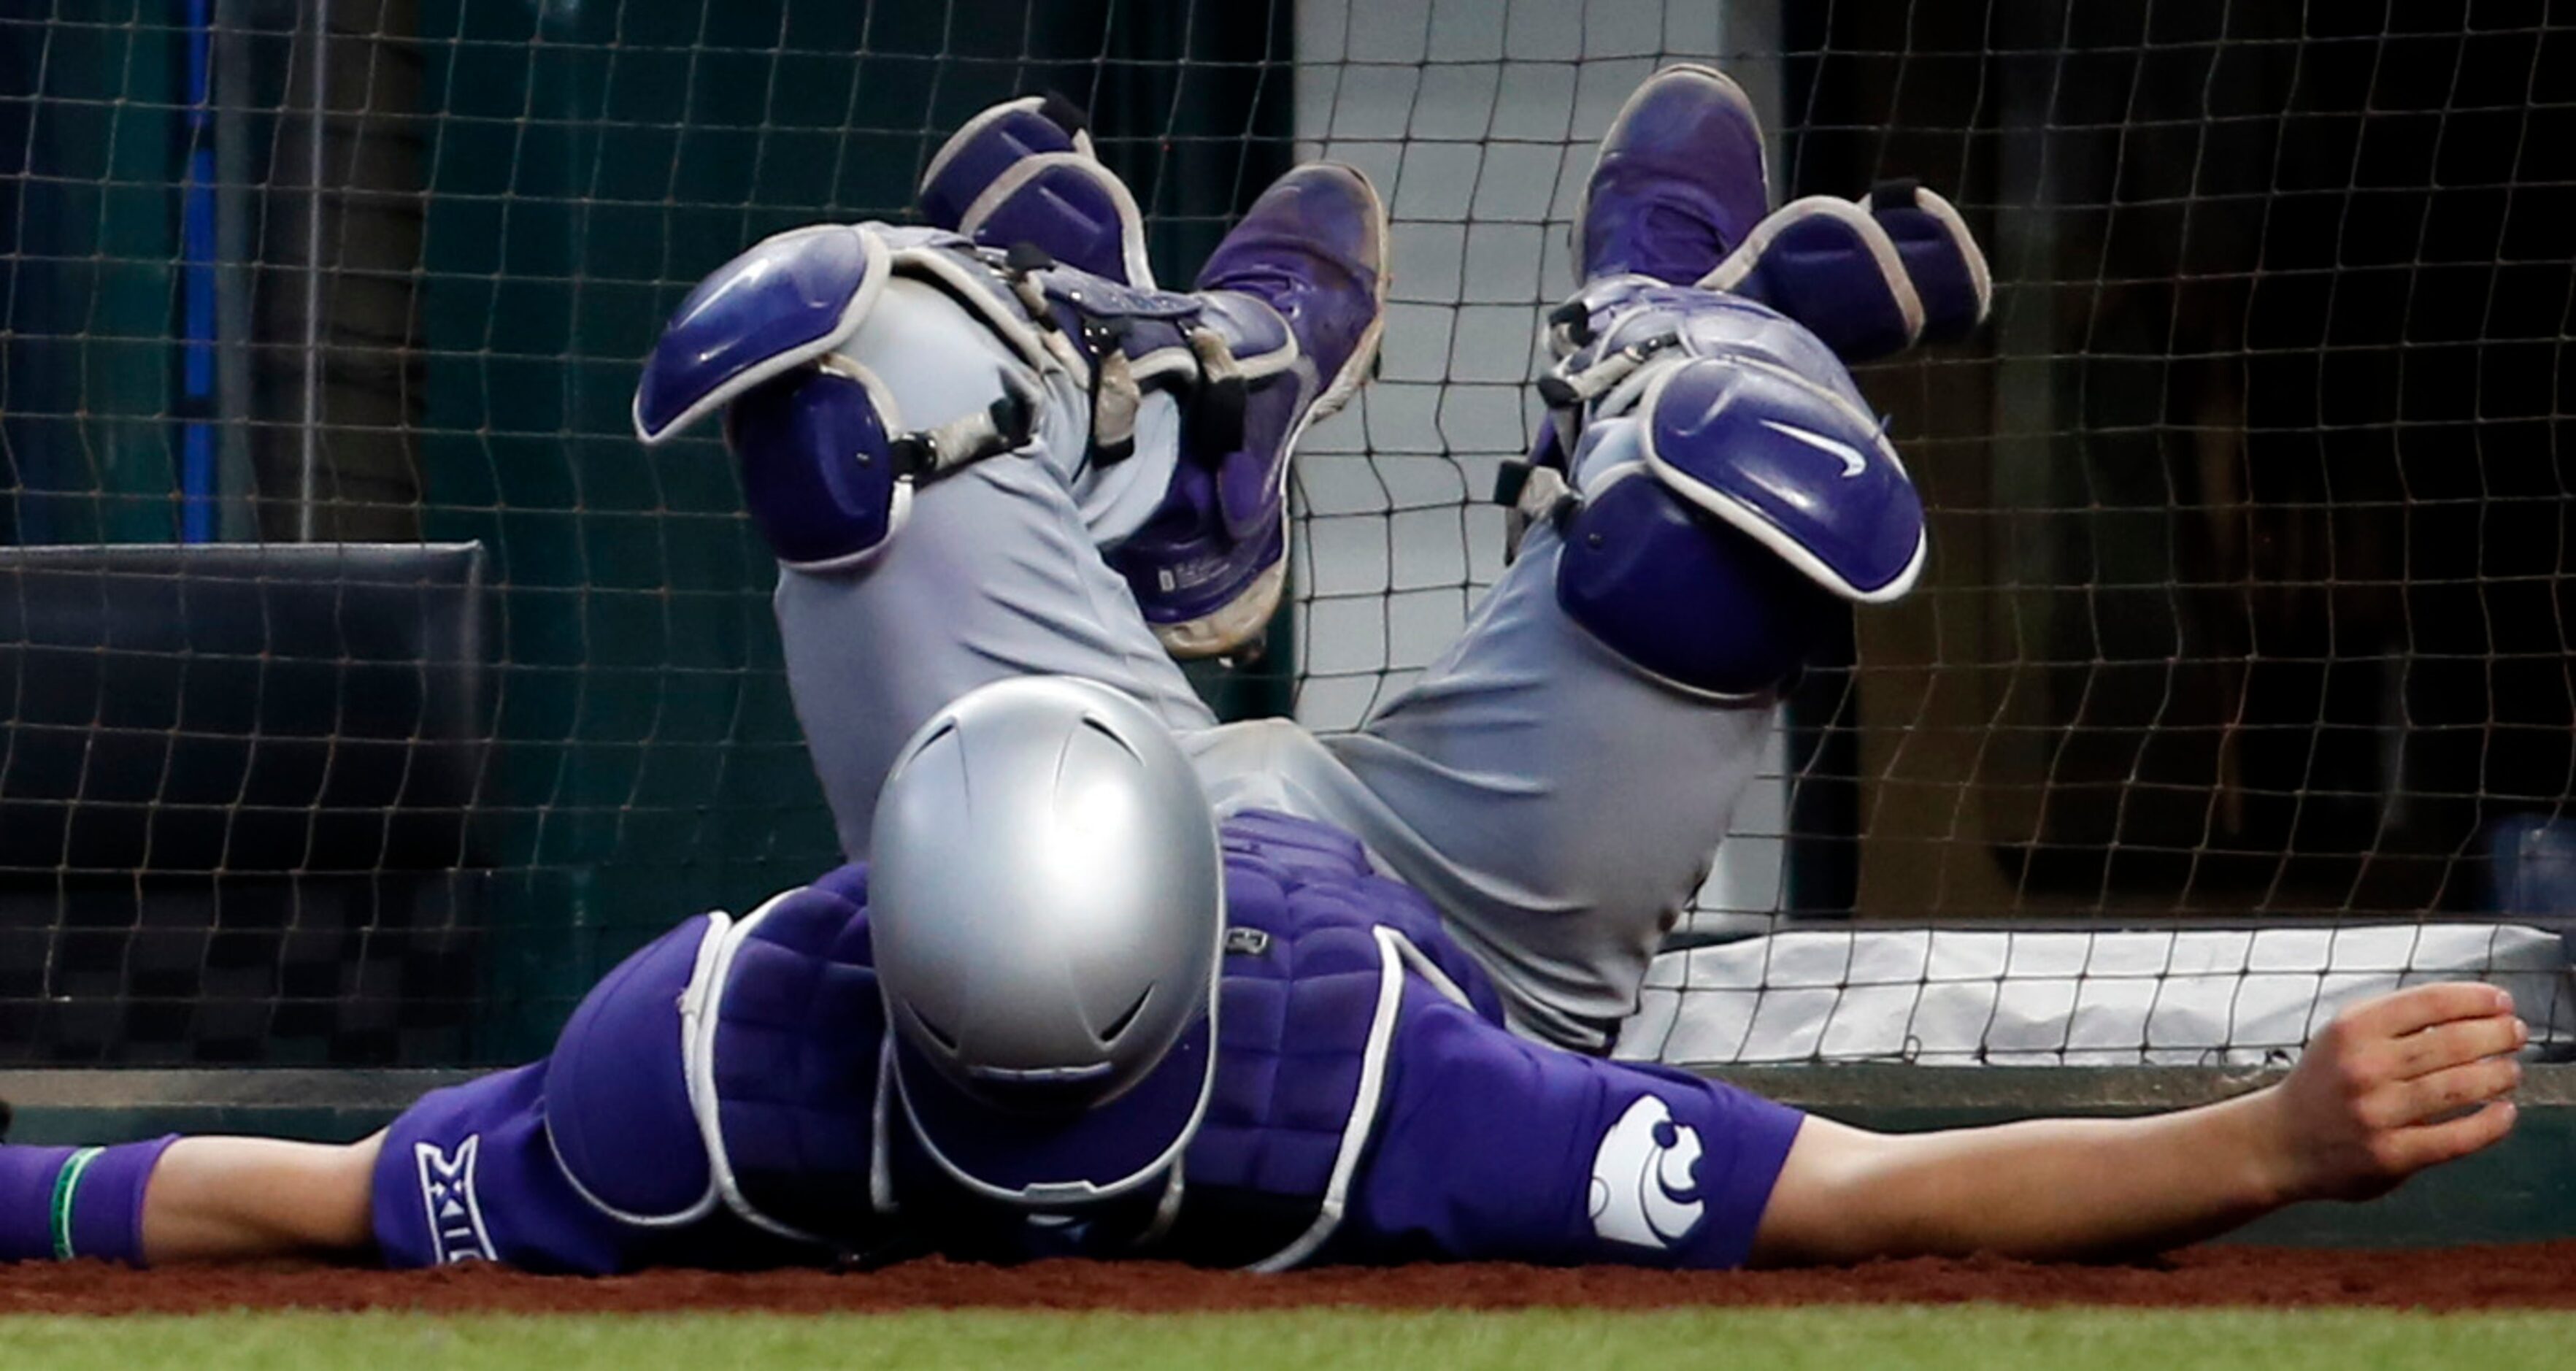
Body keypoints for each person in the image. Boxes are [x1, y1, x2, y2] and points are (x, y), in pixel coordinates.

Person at [0, 69, 2528, 1275]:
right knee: (1738, 544)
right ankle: (1210, 425)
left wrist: (2273, 1148)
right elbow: (1865, 1200)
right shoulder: (733, 1055)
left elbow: (296, 1195)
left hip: (1415, 904)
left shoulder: (1334, 1061)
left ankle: (1296, 390)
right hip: (1439, 907)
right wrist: (2262, 1144)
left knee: (836, 355)